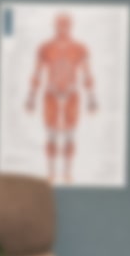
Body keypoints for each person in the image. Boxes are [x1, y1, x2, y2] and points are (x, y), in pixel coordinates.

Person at [24, 12, 97, 183]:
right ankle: (50, 173)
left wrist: (92, 97)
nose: (63, 27)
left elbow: (87, 73)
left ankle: (67, 173)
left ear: (70, 25)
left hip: (71, 94)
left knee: (70, 134)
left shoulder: (79, 48)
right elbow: (37, 72)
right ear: (55, 25)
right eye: (60, 24)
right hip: (51, 94)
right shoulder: (45, 47)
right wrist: (31, 97)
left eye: (66, 24)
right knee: (51, 134)